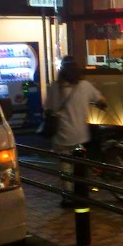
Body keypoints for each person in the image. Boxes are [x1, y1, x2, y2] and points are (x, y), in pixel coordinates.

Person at [44, 56, 107, 206]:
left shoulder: (55, 87)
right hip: (80, 135)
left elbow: (48, 108)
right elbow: (101, 100)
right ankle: (82, 193)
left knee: (65, 167)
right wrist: (100, 104)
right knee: (80, 165)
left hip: (62, 135)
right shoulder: (85, 86)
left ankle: (68, 197)